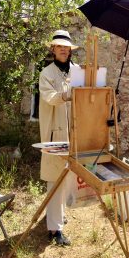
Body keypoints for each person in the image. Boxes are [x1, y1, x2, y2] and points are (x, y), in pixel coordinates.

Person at [39, 29, 78, 246]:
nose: (64, 50)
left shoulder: (76, 70)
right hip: (55, 133)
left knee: (68, 176)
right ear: (53, 49)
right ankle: (54, 229)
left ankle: (58, 216)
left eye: (67, 47)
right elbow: (51, 98)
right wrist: (66, 95)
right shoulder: (46, 73)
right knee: (55, 178)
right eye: (59, 47)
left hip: (75, 131)